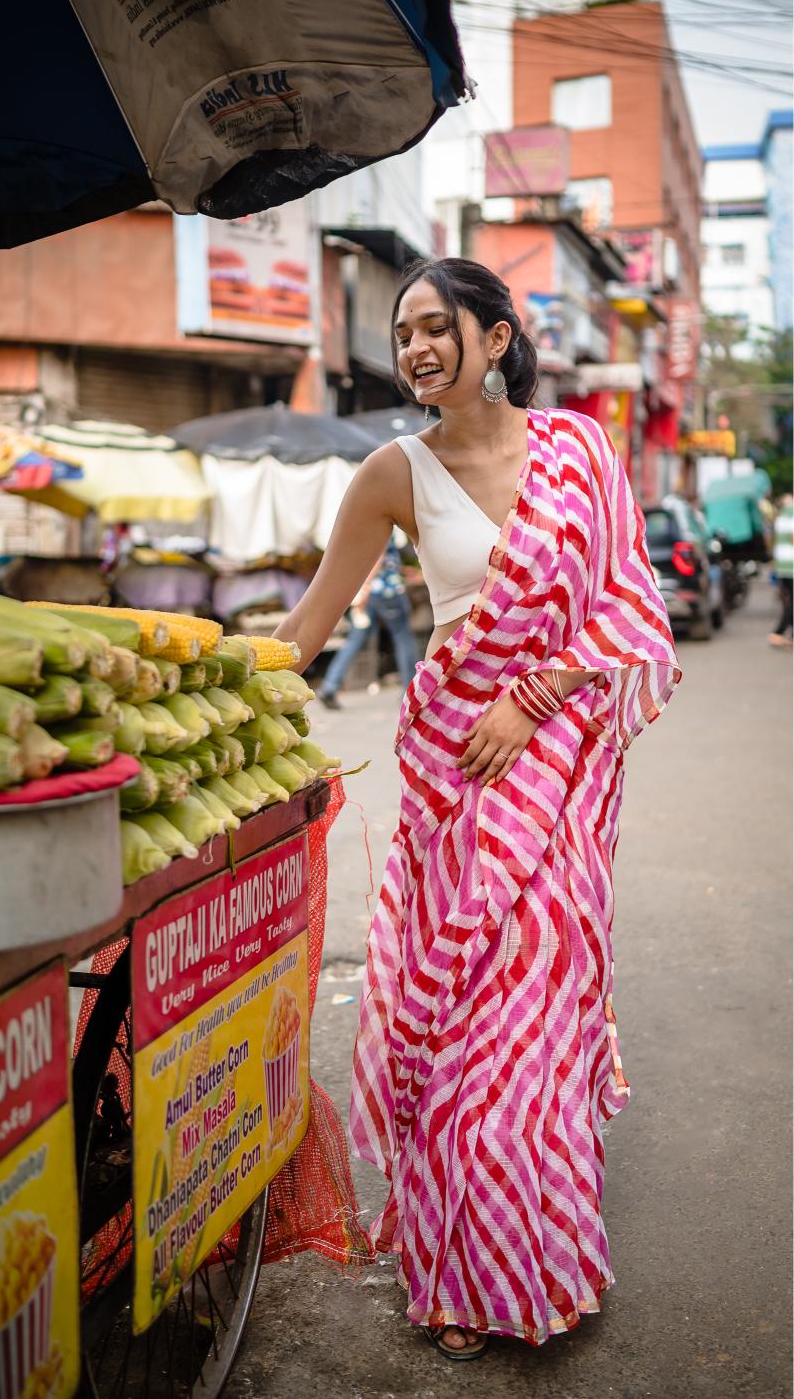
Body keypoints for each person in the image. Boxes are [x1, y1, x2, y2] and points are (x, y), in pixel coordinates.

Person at [273, 257, 679, 1361]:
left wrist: (534, 698)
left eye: (433, 325)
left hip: (558, 774)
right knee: (457, 1025)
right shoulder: (393, 471)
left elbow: (633, 606)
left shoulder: (581, 452)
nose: (413, 347)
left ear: (495, 338)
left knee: (535, 1016)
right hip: (453, 781)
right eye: (402, 331)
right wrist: (208, 685)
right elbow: (310, 624)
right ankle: (465, 1267)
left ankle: (535, 1257)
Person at [316, 533, 418, 708]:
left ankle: (330, 686)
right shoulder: (386, 520)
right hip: (387, 592)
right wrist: (365, 586)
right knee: (403, 638)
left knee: (355, 640)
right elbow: (377, 557)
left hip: (372, 593)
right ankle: (411, 691)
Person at [768, 493, 793, 647]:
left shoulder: (780, 517)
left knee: (788, 598)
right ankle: (780, 631)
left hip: (782, 563)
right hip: (791, 562)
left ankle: (783, 631)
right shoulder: (791, 515)